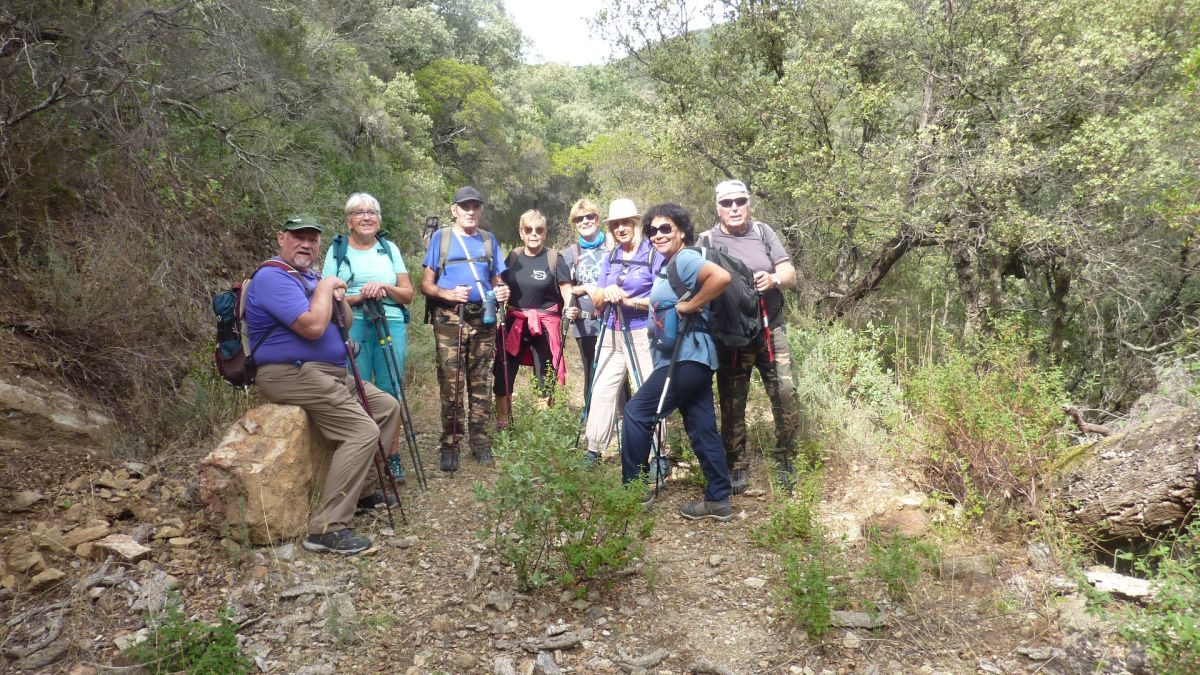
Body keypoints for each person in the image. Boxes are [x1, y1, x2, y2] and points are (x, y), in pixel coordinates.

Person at [246, 214, 401, 555]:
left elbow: (342, 321)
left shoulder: (309, 277)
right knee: (362, 431)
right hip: (288, 372)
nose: (306, 244)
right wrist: (328, 286)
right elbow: (314, 327)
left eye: (312, 239)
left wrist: (335, 293)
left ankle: (361, 492)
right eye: (298, 237)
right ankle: (327, 528)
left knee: (387, 407)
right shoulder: (273, 277)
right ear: (280, 238)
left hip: (326, 372)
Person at [621, 203, 733, 520]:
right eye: (652, 230)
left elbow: (721, 278)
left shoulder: (684, 258)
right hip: (692, 358)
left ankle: (632, 491)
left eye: (665, 228)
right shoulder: (667, 264)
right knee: (701, 427)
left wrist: (689, 306)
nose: (658, 235)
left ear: (681, 231)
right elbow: (665, 302)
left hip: (687, 358)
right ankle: (718, 499)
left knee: (636, 412)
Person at [700, 179, 804, 492]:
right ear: (717, 207)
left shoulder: (763, 232)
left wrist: (772, 278)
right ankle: (736, 466)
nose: (734, 208)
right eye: (727, 203)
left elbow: (789, 272)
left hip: (771, 327)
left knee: (785, 393)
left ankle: (786, 460)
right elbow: (696, 280)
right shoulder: (706, 239)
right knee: (733, 400)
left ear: (749, 204)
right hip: (733, 333)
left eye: (740, 201)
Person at [322, 193, 414, 480]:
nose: (366, 217)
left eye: (372, 212)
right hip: (352, 324)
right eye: (359, 212)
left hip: (391, 322)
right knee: (356, 390)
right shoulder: (337, 250)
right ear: (348, 220)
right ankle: (362, 455)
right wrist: (359, 295)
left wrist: (384, 290)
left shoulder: (389, 249)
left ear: (379, 218)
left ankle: (392, 456)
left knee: (391, 390)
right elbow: (325, 295)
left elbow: (408, 294)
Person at [420, 186, 509, 472]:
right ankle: (450, 444)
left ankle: (480, 443)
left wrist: (503, 291)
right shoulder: (441, 238)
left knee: (480, 381)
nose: (470, 211)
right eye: (464, 206)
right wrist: (448, 295)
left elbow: (496, 280)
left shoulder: (488, 240)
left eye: (475, 206)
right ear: (454, 209)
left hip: (482, 319)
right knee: (451, 382)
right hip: (449, 319)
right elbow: (427, 284)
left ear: (480, 210)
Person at [581, 198, 662, 466]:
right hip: (611, 332)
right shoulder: (610, 256)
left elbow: (663, 299)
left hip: (641, 335)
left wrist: (631, 301)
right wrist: (606, 293)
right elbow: (597, 300)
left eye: (625, 222)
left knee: (646, 393)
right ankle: (593, 449)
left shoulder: (653, 254)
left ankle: (656, 455)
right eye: (616, 224)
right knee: (602, 389)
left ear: (636, 223)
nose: (620, 228)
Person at [493, 210, 572, 428]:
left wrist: (570, 309)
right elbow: (500, 284)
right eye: (528, 230)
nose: (533, 234)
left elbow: (567, 290)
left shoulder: (555, 258)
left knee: (545, 376)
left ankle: (541, 426)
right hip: (515, 323)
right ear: (521, 232)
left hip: (544, 325)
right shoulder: (514, 257)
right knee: (503, 373)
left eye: (538, 230)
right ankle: (503, 423)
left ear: (545, 233)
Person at [561, 199, 615, 403]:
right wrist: (584, 289)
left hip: (613, 319)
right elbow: (566, 287)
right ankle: (590, 420)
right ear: (574, 223)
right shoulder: (571, 253)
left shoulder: (611, 246)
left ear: (597, 219)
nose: (585, 221)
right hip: (585, 322)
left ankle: (625, 419)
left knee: (617, 369)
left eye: (589, 217)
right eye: (579, 219)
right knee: (590, 369)